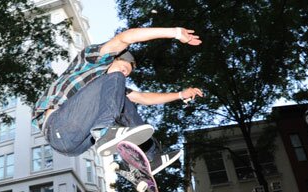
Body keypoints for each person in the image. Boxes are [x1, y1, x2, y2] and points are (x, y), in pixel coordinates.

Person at [33, 26, 204, 172]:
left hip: (76, 144)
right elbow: (126, 37)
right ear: (114, 59)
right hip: (58, 126)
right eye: (123, 68)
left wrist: (180, 95)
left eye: (127, 73)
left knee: (125, 100)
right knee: (115, 80)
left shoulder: (109, 88)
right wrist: (175, 32)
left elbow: (143, 98)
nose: (123, 74)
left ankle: (150, 158)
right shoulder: (92, 61)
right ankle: (104, 130)